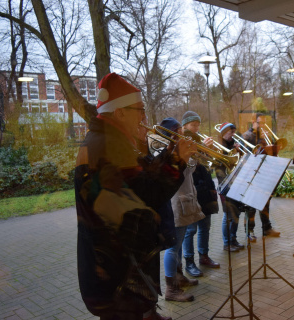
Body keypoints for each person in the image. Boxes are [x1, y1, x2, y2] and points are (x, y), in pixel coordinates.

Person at [75, 73, 194, 320]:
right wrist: (177, 161)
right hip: (117, 274)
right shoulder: (110, 144)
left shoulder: (109, 139)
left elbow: (141, 181)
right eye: (139, 109)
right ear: (119, 112)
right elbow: (147, 195)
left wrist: (165, 153)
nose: (143, 117)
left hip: (118, 269)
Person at [158, 117, 200, 303]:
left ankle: (179, 276)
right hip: (177, 204)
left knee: (179, 243)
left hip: (184, 201)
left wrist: (192, 154)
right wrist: (187, 154)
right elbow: (182, 172)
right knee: (172, 248)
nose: (183, 136)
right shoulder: (167, 151)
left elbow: (190, 169)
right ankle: (171, 289)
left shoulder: (176, 149)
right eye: (180, 133)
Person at [180, 111, 220, 278]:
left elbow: (207, 164)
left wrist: (208, 150)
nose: (196, 128)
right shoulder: (180, 141)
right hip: (190, 188)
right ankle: (189, 262)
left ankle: (204, 256)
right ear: (185, 126)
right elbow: (187, 165)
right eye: (193, 125)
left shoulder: (198, 140)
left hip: (205, 188)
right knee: (191, 229)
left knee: (205, 225)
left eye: (197, 125)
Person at [241, 113, 281, 240]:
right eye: (260, 123)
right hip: (253, 173)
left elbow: (273, 153)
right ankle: (250, 231)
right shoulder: (247, 136)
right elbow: (246, 154)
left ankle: (267, 228)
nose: (263, 125)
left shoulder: (265, 135)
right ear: (253, 121)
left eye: (264, 123)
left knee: (265, 202)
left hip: (265, 171)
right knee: (251, 204)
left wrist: (270, 144)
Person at [215, 122, 246, 252]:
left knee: (236, 214)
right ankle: (227, 243)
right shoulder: (218, 146)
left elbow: (240, 163)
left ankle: (233, 239)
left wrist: (239, 152)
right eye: (230, 132)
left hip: (236, 182)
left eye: (234, 132)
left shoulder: (233, 145)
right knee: (228, 215)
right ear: (223, 132)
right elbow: (218, 168)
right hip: (225, 184)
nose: (233, 135)